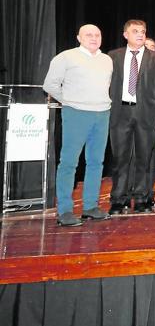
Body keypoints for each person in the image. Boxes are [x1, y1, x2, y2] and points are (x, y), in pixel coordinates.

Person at [43, 24, 113, 226]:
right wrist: (70, 101)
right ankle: (64, 210)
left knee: (96, 162)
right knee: (69, 162)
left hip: (102, 114)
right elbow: (50, 85)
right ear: (78, 37)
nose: (93, 38)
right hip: (76, 114)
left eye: (97, 34)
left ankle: (90, 206)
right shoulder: (66, 57)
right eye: (88, 34)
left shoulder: (106, 60)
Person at [107, 19, 155, 215]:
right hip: (120, 112)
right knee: (120, 158)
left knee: (144, 158)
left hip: (146, 113)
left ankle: (142, 198)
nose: (140, 34)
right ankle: (118, 199)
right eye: (135, 31)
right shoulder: (113, 57)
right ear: (125, 35)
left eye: (143, 31)